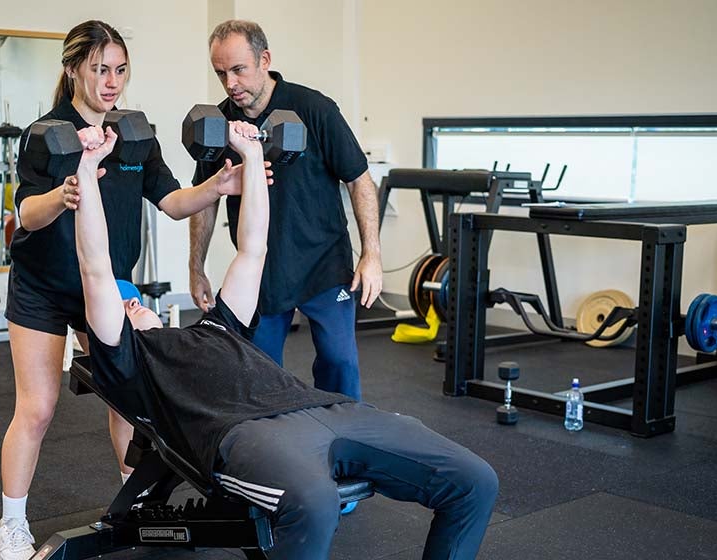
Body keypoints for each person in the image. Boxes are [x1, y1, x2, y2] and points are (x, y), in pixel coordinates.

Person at [77, 119, 498, 559]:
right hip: (245, 433)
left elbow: (253, 248)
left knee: (475, 480)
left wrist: (252, 153)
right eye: (125, 307)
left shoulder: (219, 325)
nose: (133, 303)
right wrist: (88, 171)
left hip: (328, 408)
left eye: (134, 299)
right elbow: (96, 268)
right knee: (315, 505)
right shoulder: (129, 358)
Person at [0, 20, 267, 560]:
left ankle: (137, 502)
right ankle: (12, 522)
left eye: (120, 70)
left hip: (106, 287)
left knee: (129, 401)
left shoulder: (136, 136)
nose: (111, 81)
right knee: (39, 407)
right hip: (43, 288)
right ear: (73, 68)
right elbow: (22, 215)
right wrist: (66, 192)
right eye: (99, 69)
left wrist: (218, 185)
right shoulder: (45, 133)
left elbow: (171, 202)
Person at [189, 19, 383, 405]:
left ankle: (347, 438)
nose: (230, 84)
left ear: (265, 59)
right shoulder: (220, 124)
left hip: (323, 263)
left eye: (239, 69)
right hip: (262, 271)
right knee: (258, 373)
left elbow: (359, 179)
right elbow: (204, 199)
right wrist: (196, 268)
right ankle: (272, 456)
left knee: (340, 363)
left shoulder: (315, 108)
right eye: (221, 73)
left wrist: (371, 254)